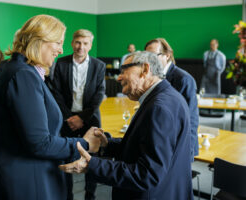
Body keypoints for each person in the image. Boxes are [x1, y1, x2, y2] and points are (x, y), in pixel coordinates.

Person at [0, 15, 101, 200]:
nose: (61, 49)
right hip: (28, 181)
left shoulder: (16, 68)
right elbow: (39, 142)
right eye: (58, 42)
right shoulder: (23, 75)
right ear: (39, 39)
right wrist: (84, 144)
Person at [60, 51, 193, 200]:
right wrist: (107, 144)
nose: (119, 77)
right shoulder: (165, 97)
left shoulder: (159, 108)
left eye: (124, 70)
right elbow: (144, 147)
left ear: (145, 70)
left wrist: (92, 165)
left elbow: (147, 175)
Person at [52, 29, 106, 200]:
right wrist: (70, 118)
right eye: (77, 42)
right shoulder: (60, 63)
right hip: (66, 119)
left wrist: (82, 118)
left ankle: (90, 195)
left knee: (92, 159)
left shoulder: (99, 66)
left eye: (85, 43)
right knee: (65, 157)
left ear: (90, 45)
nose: (80, 47)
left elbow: (99, 95)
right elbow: (56, 92)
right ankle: (67, 195)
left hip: (90, 120)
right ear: (72, 43)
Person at [144, 38, 199, 161]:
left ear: (167, 55)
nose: (148, 60)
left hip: (179, 145)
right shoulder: (152, 76)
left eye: (153, 55)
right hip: (160, 141)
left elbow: (191, 119)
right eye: (146, 56)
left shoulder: (184, 79)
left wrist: (187, 152)